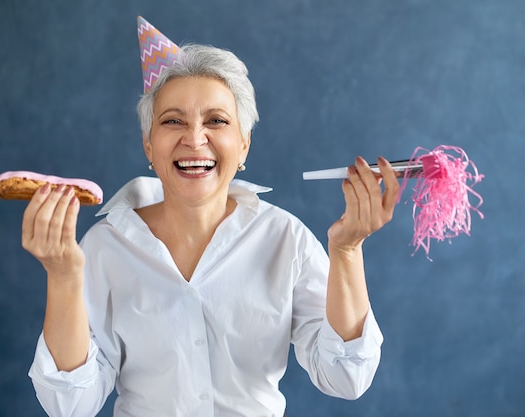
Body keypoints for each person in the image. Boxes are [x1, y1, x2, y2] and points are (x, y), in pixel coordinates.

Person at [23, 17, 399, 417]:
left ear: (243, 146)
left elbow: (345, 377)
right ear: (149, 145)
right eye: (172, 121)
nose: (195, 138)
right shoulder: (104, 246)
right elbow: (70, 404)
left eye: (216, 120)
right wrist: (62, 277)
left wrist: (348, 249)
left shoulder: (284, 238)